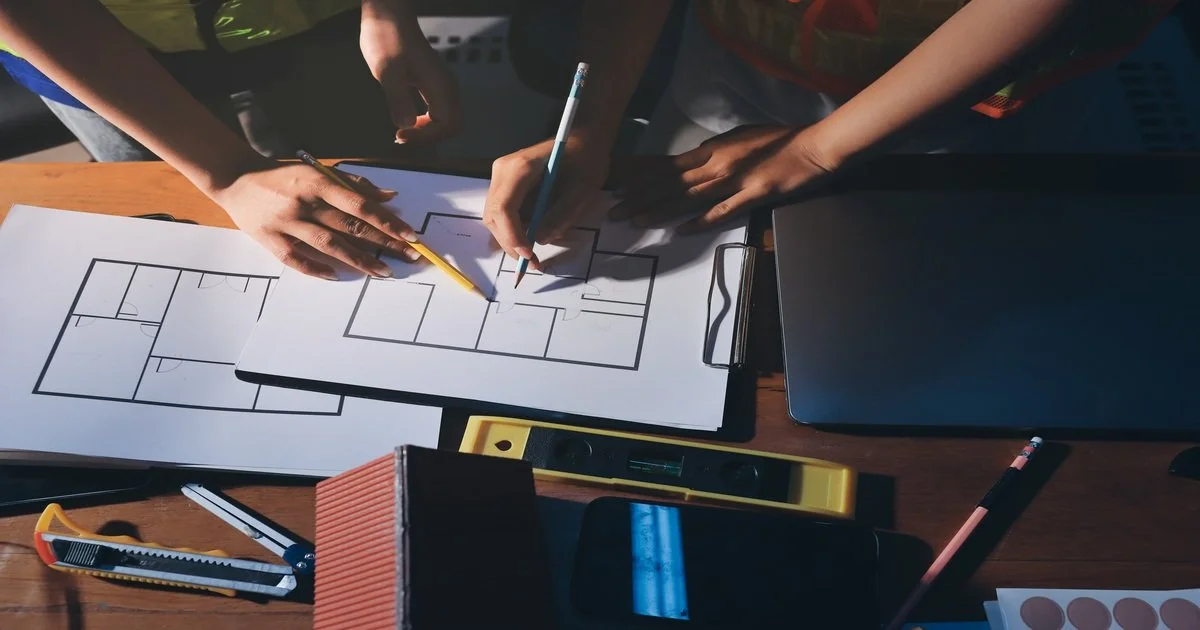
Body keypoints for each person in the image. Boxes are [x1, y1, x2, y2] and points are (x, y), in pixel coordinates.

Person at [482, 0, 1177, 269]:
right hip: (739, 54)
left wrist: (820, 146)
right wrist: (594, 120)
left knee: (944, 270)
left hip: (974, 93)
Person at [0, 0, 461, 280]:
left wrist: (386, 10)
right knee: (166, 216)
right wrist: (229, 174)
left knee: (363, 184)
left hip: (311, 24)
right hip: (85, 55)